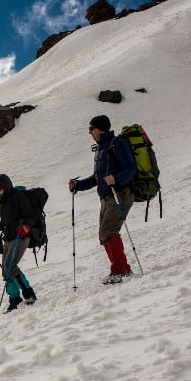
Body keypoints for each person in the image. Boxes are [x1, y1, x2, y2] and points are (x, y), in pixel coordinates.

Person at [69, 115, 137, 284]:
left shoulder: (117, 143)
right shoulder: (100, 149)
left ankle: (120, 270)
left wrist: (117, 179)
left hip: (119, 193)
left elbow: (130, 168)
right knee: (104, 234)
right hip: (106, 196)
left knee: (110, 230)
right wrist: (78, 185)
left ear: (100, 128)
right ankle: (121, 269)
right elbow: (97, 178)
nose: (89, 132)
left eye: (91, 128)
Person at [0, 174, 38, 311]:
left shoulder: (19, 197)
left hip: (21, 237)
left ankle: (29, 294)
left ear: (6, 187)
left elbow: (30, 216)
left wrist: (26, 226)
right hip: (9, 237)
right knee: (6, 270)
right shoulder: (3, 202)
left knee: (10, 267)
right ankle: (15, 299)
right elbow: (5, 224)